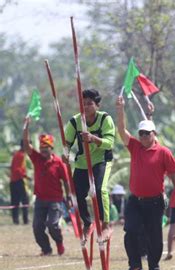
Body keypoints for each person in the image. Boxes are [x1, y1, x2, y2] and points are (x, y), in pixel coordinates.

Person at [116, 96, 175, 270]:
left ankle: (154, 268)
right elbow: (121, 130)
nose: (144, 137)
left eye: (147, 133)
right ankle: (135, 265)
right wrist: (120, 109)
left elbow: (173, 174)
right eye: (141, 134)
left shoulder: (164, 152)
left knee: (154, 236)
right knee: (130, 230)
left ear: (154, 133)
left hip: (154, 202)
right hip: (135, 200)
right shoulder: (135, 147)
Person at [64, 89, 115, 241]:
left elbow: (109, 143)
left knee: (100, 190)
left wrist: (93, 138)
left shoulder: (105, 119)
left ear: (97, 105)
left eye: (89, 104)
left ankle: (106, 225)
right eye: (83, 104)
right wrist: (65, 153)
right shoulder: (75, 121)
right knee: (75, 195)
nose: (86, 107)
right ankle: (87, 223)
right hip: (82, 163)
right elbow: (67, 142)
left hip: (102, 161)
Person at [23, 118, 70, 256]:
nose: (43, 151)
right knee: (37, 227)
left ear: (51, 148)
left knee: (52, 225)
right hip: (40, 199)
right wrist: (26, 126)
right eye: (41, 148)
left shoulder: (58, 163)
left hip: (55, 200)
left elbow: (66, 181)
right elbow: (26, 144)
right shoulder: (36, 158)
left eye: (46, 148)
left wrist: (68, 197)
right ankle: (46, 249)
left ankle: (59, 243)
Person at [9, 140, 30, 225]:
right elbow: (17, 170)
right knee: (24, 200)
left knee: (15, 201)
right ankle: (25, 220)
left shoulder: (17, 154)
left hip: (14, 181)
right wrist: (26, 176)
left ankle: (16, 220)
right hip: (18, 181)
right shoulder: (20, 155)